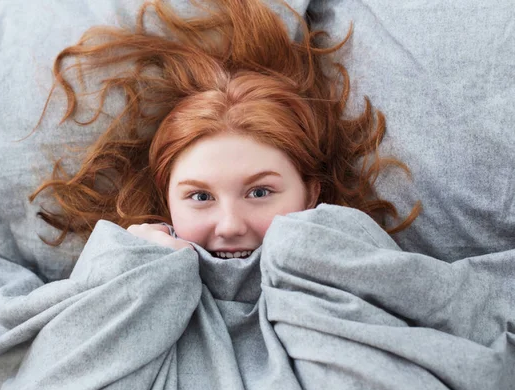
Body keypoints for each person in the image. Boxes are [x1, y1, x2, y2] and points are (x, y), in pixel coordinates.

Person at [30, 0, 419, 253]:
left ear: (310, 194)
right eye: (200, 198)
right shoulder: (123, 266)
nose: (230, 226)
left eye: (260, 191)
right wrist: (129, 273)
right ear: (167, 202)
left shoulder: (362, 257)